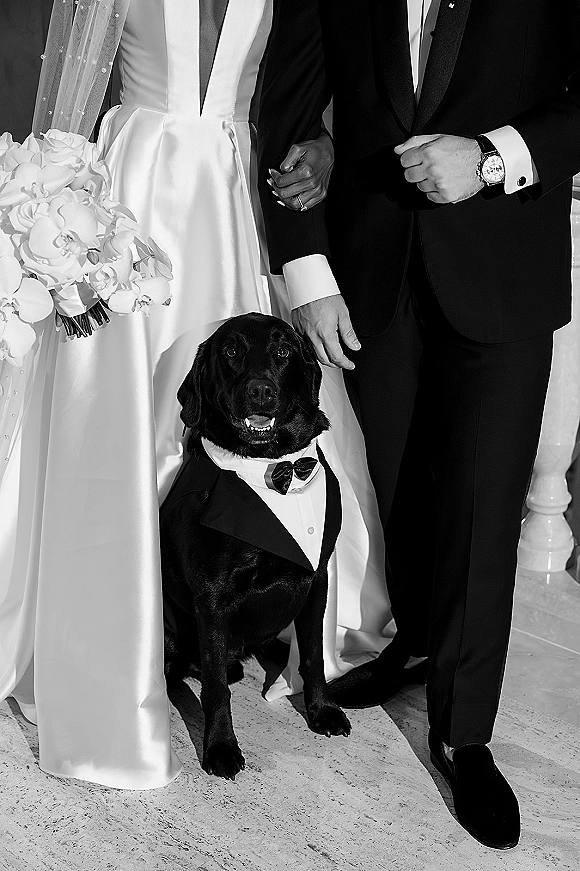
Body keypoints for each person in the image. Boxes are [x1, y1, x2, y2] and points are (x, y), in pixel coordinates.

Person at [0, 0, 392, 788]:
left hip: (241, 200)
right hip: (133, 195)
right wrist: (59, 218)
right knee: (119, 422)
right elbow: (69, 92)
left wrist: (324, 143)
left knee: (253, 412)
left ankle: (250, 605)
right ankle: (113, 631)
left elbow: (325, 83)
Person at [258, 0, 580, 850]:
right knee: (398, 485)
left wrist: (492, 156)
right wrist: (307, 269)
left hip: (504, 267)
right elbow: (288, 105)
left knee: (483, 508)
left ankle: (463, 735)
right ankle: (419, 643)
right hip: (371, 272)